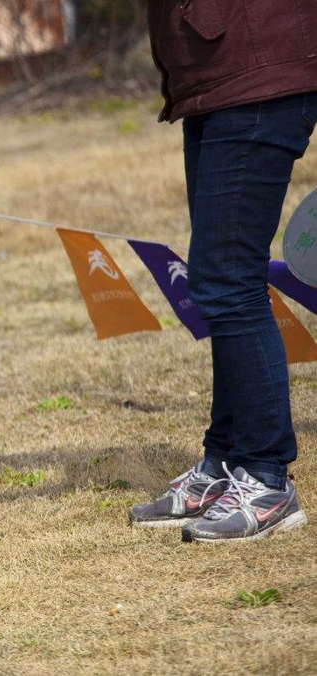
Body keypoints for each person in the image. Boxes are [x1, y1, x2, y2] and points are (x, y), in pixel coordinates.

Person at [129, 1, 317, 541]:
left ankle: (266, 477)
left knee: (227, 279)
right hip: (220, 74)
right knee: (224, 279)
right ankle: (226, 463)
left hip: (259, 73)